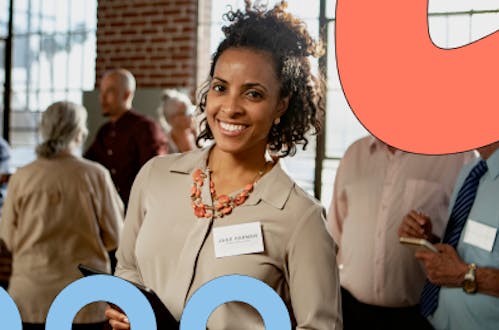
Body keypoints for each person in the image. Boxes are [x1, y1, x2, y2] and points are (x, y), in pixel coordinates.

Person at [106, 2, 342, 329]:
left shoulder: (300, 218)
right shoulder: (155, 177)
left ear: (281, 105)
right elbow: (128, 267)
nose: (230, 108)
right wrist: (130, 310)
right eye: (220, 88)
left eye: (254, 94)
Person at [328, 135, 473, 330]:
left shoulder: (457, 157)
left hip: (419, 318)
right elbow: (333, 236)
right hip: (349, 310)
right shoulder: (354, 154)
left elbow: (470, 248)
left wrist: (431, 239)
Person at [0, 101, 124, 330]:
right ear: (79, 133)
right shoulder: (95, 175)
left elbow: (8, 236)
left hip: (30, 297)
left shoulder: (22, 177)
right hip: (85, 300)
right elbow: (115, 236)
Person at [398, 141, 499, 330]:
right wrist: (427, 239)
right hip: (436, 321)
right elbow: (468, 250)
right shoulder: (471, 171)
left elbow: (461, 269)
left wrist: (466, 275)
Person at [85, 68, 168, 206]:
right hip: (109, 212)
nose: (102, 98)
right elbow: (88, 166)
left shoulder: (145, 128)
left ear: (127, 94)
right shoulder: (104, 131)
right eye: (102, 91)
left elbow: (156, 175)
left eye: (110, 91)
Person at [158, 89, 197, 153]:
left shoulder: (197, 138)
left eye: (190, 111)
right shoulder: (164, 143)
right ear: (172, 118)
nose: (191, 116)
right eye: (185, 113)